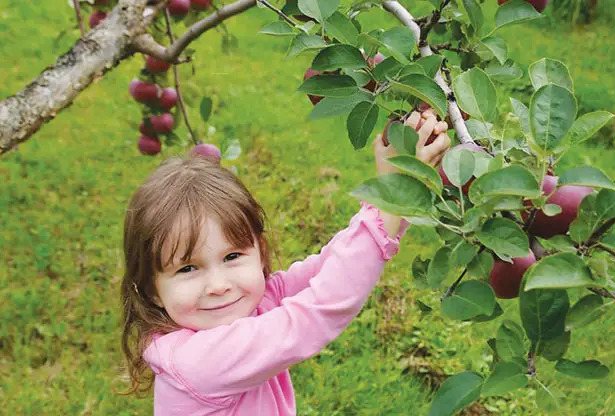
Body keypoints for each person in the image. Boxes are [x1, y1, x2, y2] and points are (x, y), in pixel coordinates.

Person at [120, 109, 450, 415]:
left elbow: (324, 268)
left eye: (232, 256)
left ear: (260, 253)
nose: (219, 285)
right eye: (188, 268)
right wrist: (393, 197)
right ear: (150, 289)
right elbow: (319, 309)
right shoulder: (200, 362)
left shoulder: (247, 306)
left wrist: (388, 197)